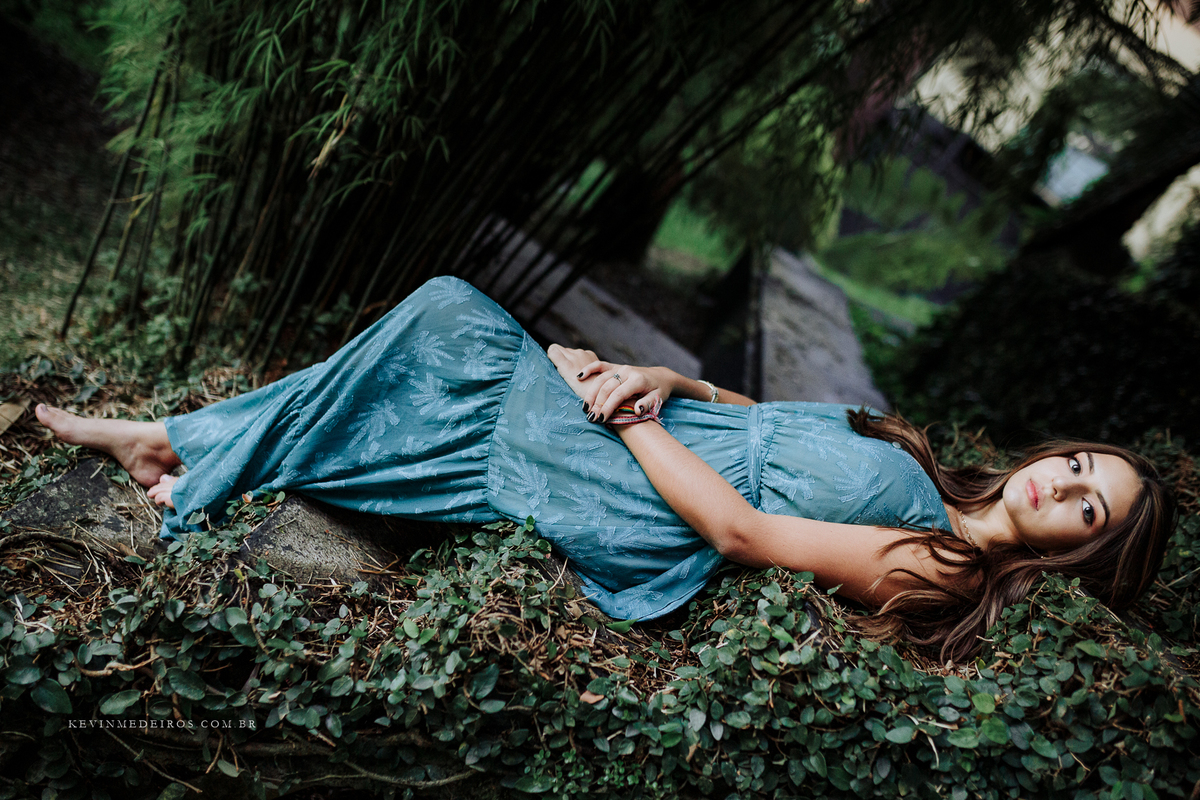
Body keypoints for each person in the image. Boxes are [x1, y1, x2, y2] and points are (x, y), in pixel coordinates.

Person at [35, 277, 1176, 660]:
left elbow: (742, 532)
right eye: (1077, 461)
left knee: (452, 319)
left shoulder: (934, 567)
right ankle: (178, 442)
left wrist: (618, 418)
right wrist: (655, 379)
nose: (1060, 483)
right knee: (455, 328)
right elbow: (755, 410)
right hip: (654, 435)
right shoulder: (927, 459)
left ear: (1085, 551)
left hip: (653, 503)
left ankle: (185, 446)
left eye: (1087, 506)